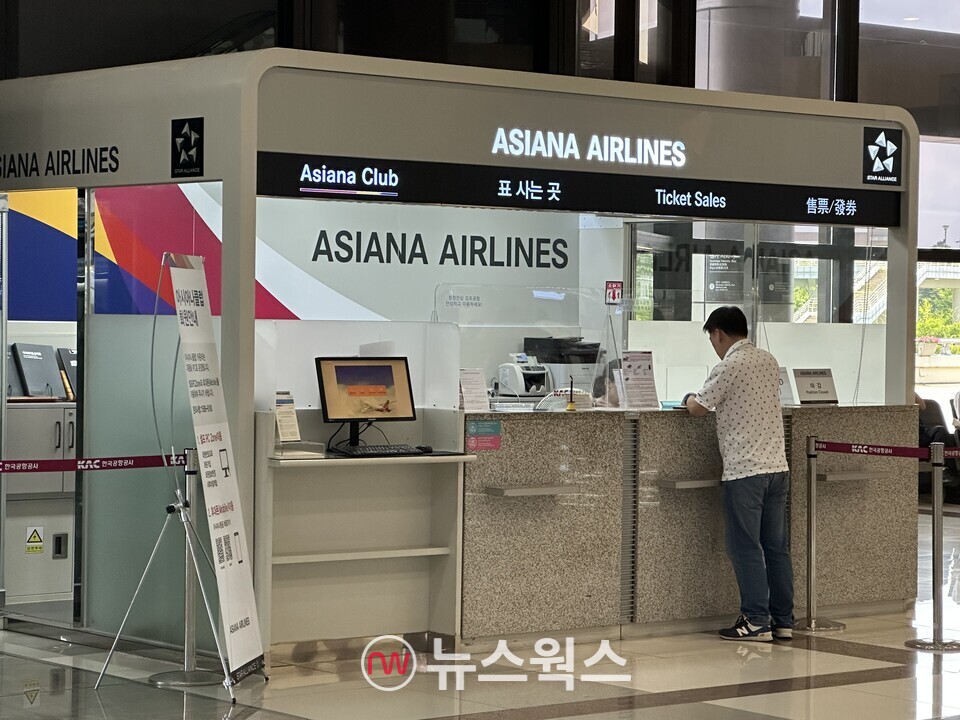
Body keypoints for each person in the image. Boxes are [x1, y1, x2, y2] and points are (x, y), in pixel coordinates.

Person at [684, 306, 792, 642]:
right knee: (775, 547)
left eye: (712, 338)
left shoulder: (729, 365)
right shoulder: (768, 360)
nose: (713, 344)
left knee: (745, 546)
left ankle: (756, 619)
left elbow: (698, 408)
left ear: (717, 333)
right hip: (777, 468)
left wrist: (688, 396)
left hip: (745, 471)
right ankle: (783, 621)